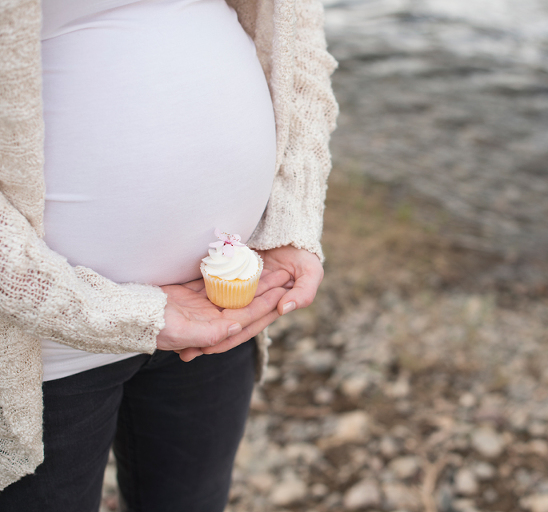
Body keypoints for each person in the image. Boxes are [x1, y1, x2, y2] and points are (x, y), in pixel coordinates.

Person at [0, 0, 338, 509]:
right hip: (39, 343)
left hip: (222, 312)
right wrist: (105, 313)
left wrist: (292, 217)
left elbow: (297, 37)